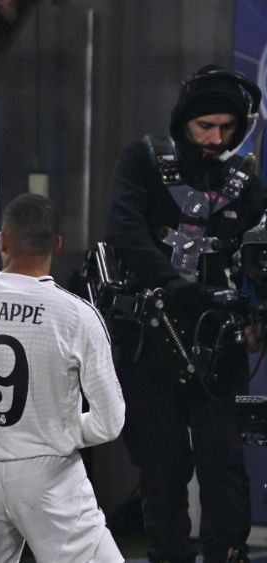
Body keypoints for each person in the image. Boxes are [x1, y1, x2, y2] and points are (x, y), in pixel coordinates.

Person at [103, 65, 265, 563]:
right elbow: (124, 231)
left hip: (221, 342)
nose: (217, 139)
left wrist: (255, 308)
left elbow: (258, 256)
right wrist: (176, 286)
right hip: (150, 339)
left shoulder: (247, 183)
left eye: (227, 128)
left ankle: (225, 554)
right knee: (163, 465)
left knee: (223, 462)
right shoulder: (144, 162)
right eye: (205, 127)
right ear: (183, 123)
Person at [0, 193, 125, 562]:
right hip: (50, 475)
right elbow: (110, 422)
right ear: (57, 245)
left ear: (1, 240)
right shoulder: (76, 315)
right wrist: (57, 430)